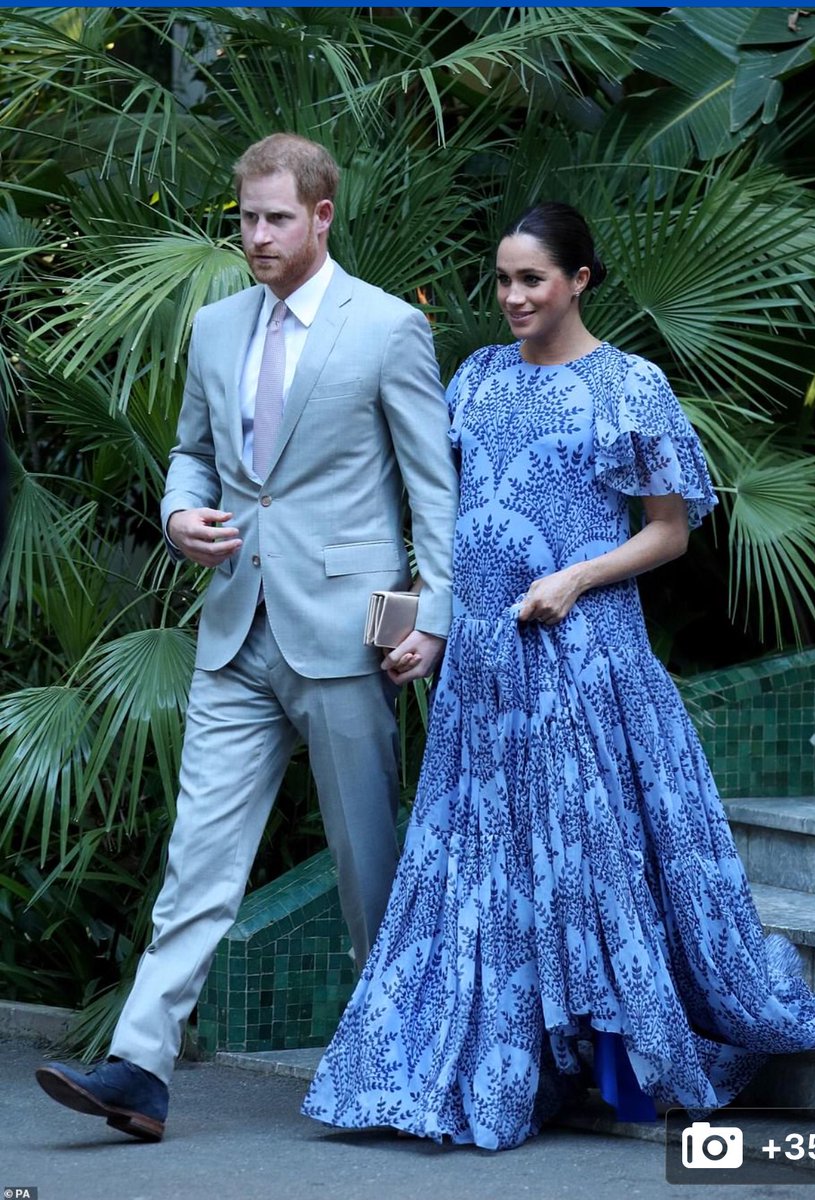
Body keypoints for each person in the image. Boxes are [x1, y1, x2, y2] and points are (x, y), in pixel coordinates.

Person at [301, 202, 815, 1151]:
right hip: (481, 677)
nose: (513, 296)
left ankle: (623, 1072)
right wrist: (420, 632)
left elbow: (671, 529)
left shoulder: (627, 386)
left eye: (533, 279)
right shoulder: (473, 379)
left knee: (590, 873)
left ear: (579, 282)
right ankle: (489, 1064)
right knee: (483, 874)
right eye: (504, 278)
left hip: (583, 665)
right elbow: (444, 529)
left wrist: (575, 576)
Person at [35, 133, 459, 1141]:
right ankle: (140, 1066)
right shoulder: (216, 326)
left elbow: (432, 491)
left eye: (276, 218)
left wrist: (434, 615)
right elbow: (190, 455)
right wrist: (183, 516)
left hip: (350, 636)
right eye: (246, 217)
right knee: (197, 862)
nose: (256, 235)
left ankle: (395, 1059)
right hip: (232, 629)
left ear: (322, 215)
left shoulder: (389, 328)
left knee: (367, 867)